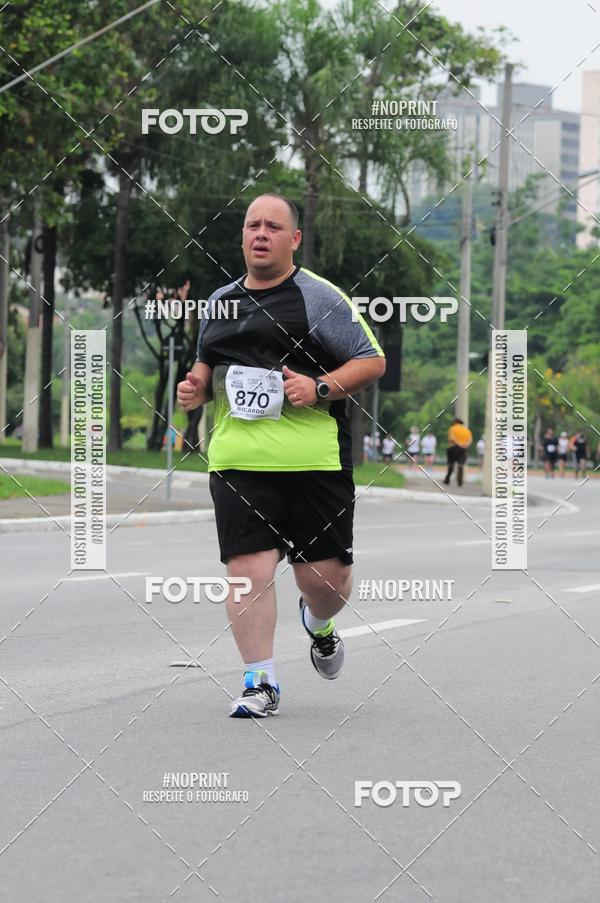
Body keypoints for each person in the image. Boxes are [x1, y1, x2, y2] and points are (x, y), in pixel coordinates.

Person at [177, 193, 385, 718]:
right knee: (248, 571)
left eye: (273, 226)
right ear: (243, 237)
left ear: (293, 239)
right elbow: (207, 362)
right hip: (238, 458)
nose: (261, 234)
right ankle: (259, 681)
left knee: (324, 581)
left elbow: (371, 359)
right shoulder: (220, 300)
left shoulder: (319, 297)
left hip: (314, 461)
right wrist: (195, 388)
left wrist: (317, 388)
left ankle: (319, 623)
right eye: (252, 225)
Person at [442, 418, 472, 487]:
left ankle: (447, 479)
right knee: (460, 465)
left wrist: (458, 444)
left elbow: (451, 439)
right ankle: (460, 482)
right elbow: (470, 440)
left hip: (454, 448)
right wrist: (465, 445)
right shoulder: (467, 430)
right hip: (464, 449)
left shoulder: (452, 428)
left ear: (456, 422)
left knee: (451, 464)